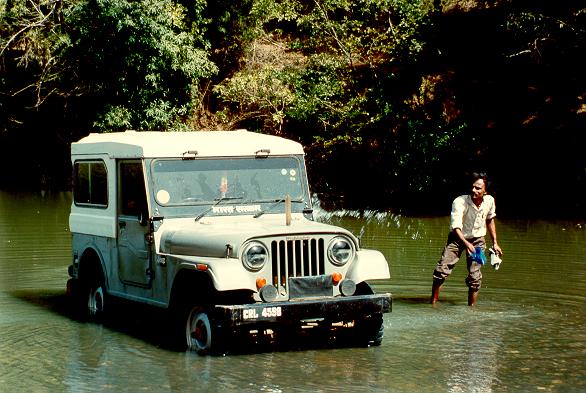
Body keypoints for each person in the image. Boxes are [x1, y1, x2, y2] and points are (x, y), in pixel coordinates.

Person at [430, 172, 503, 306]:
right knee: (441, 271)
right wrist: (467, 244)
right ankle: (433, 303)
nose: (473, 190)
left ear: (485, 191)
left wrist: (495, 243)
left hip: (478, 240)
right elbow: (456, 226)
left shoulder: (490, 201)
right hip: (457, 238)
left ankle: (472, 310)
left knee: (475, 277)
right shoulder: (460, 201)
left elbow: (490, 220)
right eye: (473, 187)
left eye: (478, 188)